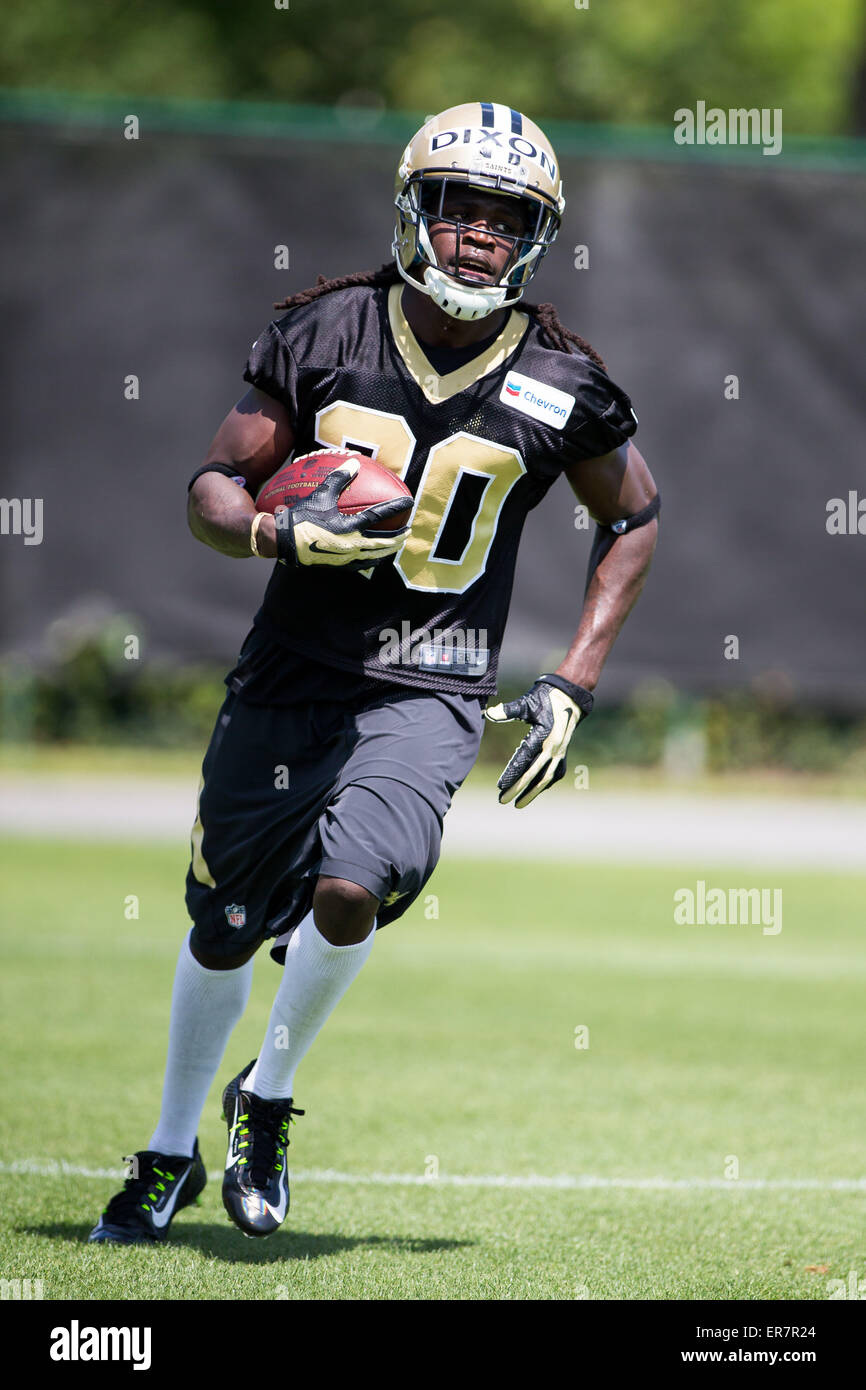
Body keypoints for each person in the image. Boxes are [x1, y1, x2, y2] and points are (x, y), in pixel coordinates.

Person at [89, 101, 659, 1244]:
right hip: (291, 670)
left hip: (430, 681)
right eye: (461, 206)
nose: (482, 234)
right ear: (413, 208)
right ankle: (165, 1152)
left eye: (510, 217)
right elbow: (213, 485)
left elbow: (634, 516)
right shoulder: (324, 333)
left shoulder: (562, 379)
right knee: (223, 925)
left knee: (354, 884)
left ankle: (268, 1096)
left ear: (536, 237)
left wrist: (572, 678)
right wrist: (264, 532)